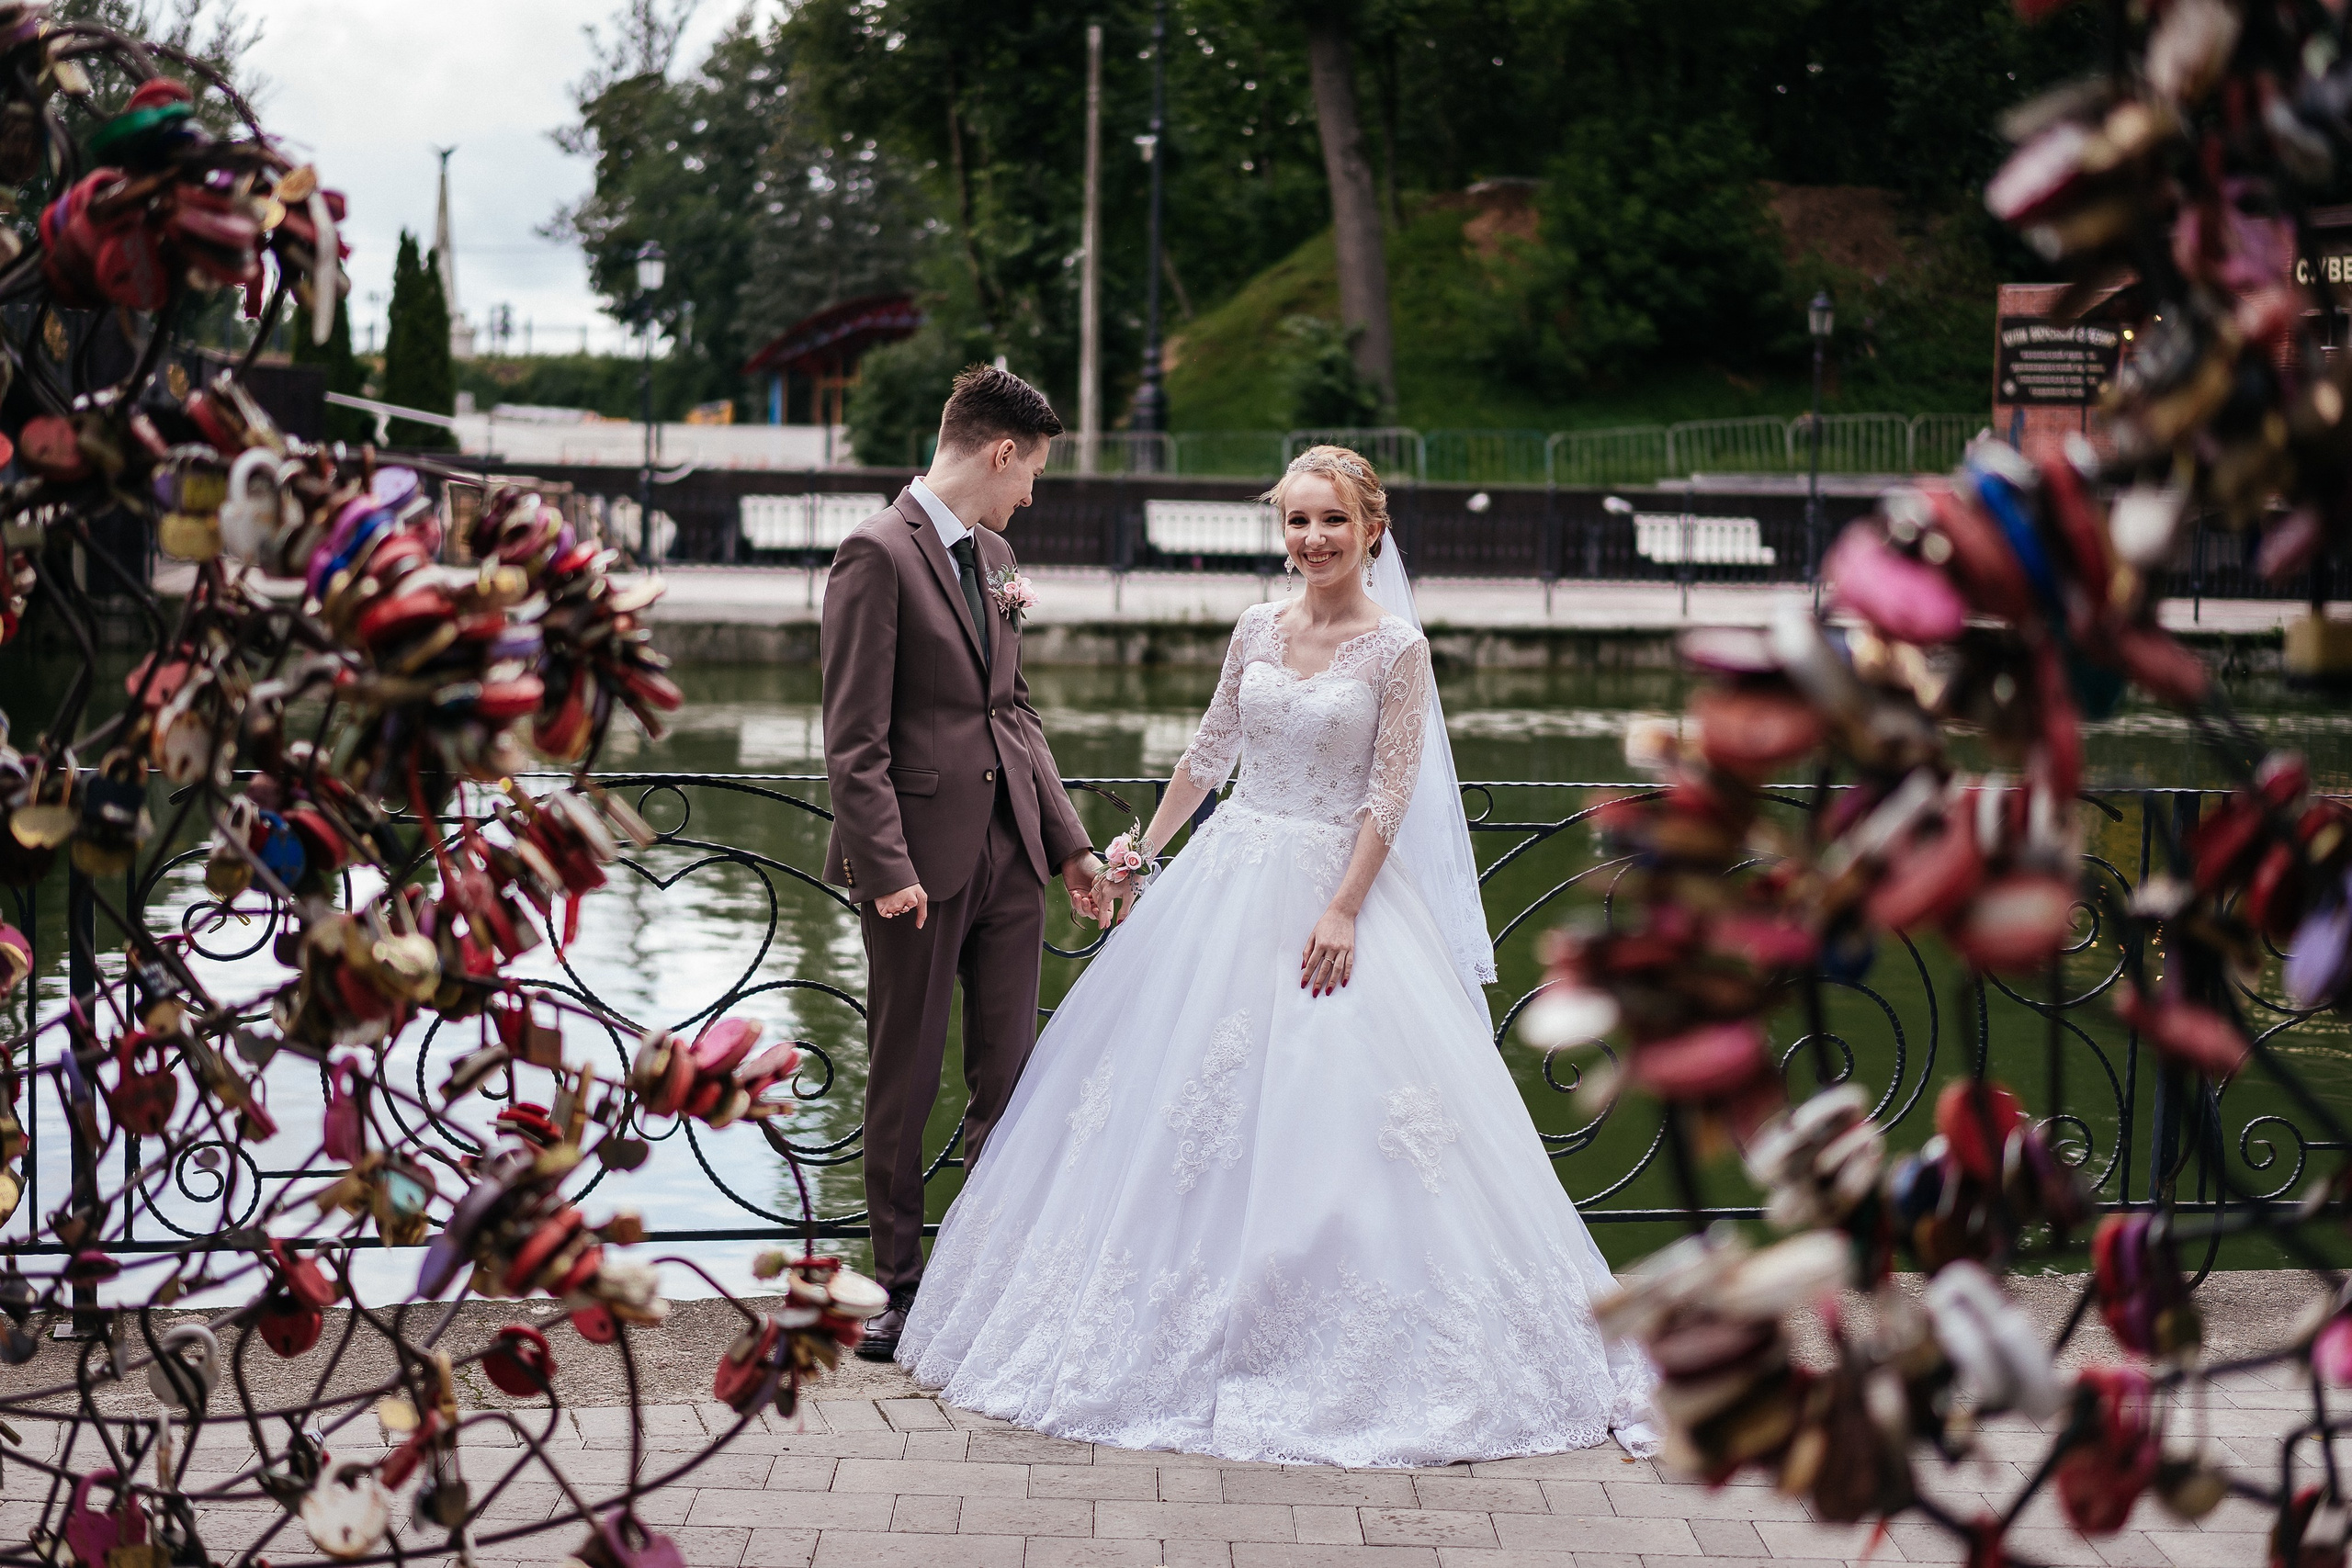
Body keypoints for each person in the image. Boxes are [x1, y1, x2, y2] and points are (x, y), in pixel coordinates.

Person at [897, 445, 1658, 1466]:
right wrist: (1138, 856)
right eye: (1296, 521)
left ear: (1371, 530)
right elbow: (1209, 753)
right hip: (1228, 875)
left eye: (1332, 521)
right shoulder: (1256, 626)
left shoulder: (1396, 650)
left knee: (1347, 1112)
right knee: (1175, 1106)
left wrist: (1344, 910)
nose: (1312, 540)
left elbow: (1388, 795)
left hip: (1334, 898)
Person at [819, 366, 1103, 1362]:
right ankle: (895, 1290)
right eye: (1030, 473)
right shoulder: (872, 553)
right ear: (997, 452)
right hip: (914, 868)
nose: (1030, 493)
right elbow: (851, 739)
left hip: (1011, 854)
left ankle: (985, 1281)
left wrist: (1066, 844)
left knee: (1009, 1075)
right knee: (902, 1078)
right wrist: (882, 863)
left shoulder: (995, 553)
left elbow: (1012, 711)